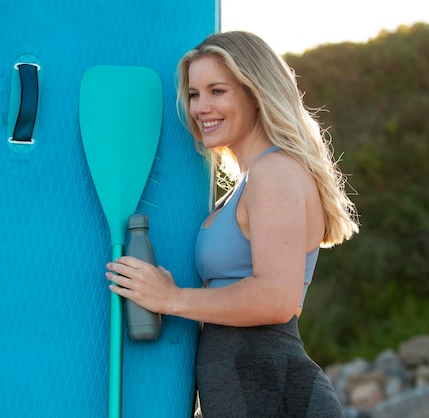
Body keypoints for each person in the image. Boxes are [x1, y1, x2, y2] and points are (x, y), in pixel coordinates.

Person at [105, 31, 359, 417]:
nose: (200, 107)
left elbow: (277, 299)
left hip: (273, 394)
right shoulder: (248, 182)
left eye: (217, 91)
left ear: (255, 92)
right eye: (194, 94)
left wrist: (170, 298)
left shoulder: (275, 171)